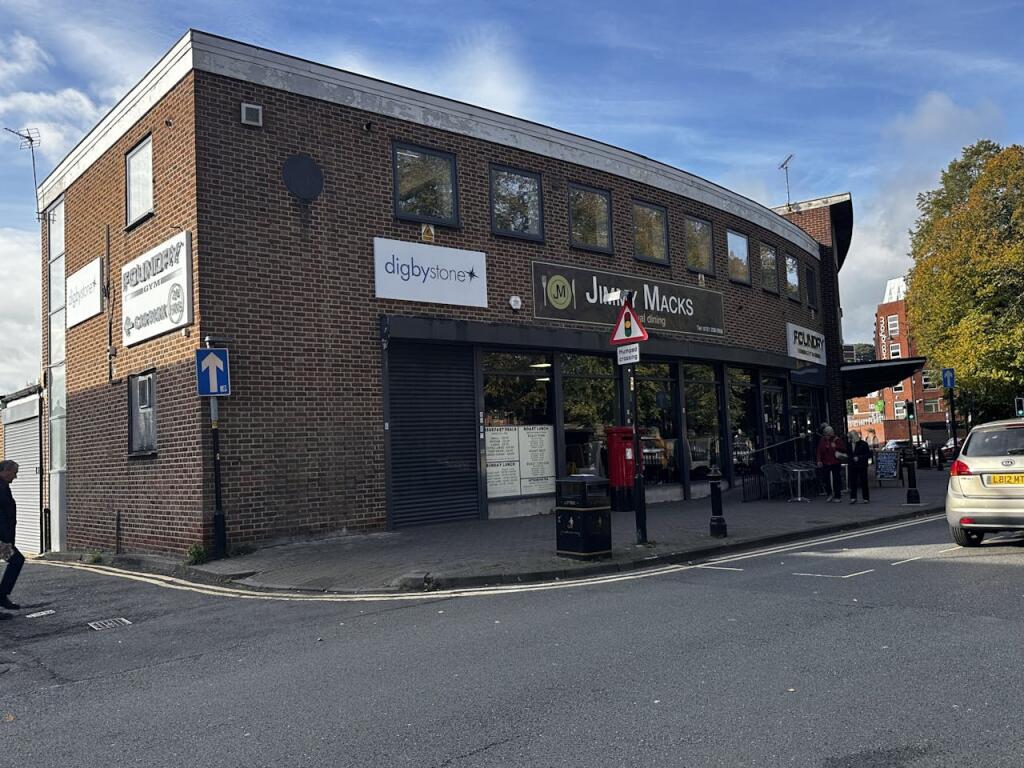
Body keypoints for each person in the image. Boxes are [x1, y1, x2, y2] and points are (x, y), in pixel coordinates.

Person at [0, 459, 24, 615]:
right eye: (14, 473)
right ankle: (2, 596)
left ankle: (2, 596)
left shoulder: (3, 486)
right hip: (1, 538)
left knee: (17, 560)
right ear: (5, 471)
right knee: (16, 560)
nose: (15, 476)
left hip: (4, 538)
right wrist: (5, 540)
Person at [816, 426, 846, 502]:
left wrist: (836, 446)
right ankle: (829, 494)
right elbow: (819, 451)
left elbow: (843, 449)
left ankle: (837, 496)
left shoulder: (837, 439)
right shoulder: (822, 440)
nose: (827, 436)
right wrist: (819, 460)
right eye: (826, 435)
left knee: (836, 479)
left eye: (829, 435)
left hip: (835, 462)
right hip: (826, 462)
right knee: (826, 479)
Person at [847, 431, 871, 504]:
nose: (850, 439)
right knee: (853, 482)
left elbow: (868, 454)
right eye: (849, 438)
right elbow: (848, 454)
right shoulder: (849, 444)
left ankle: (866, 498)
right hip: (852, 465)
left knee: (864, 481)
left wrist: (859, 458)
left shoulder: (863, 444)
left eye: (850, 437)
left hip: (862, 465)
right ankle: (853, 497)